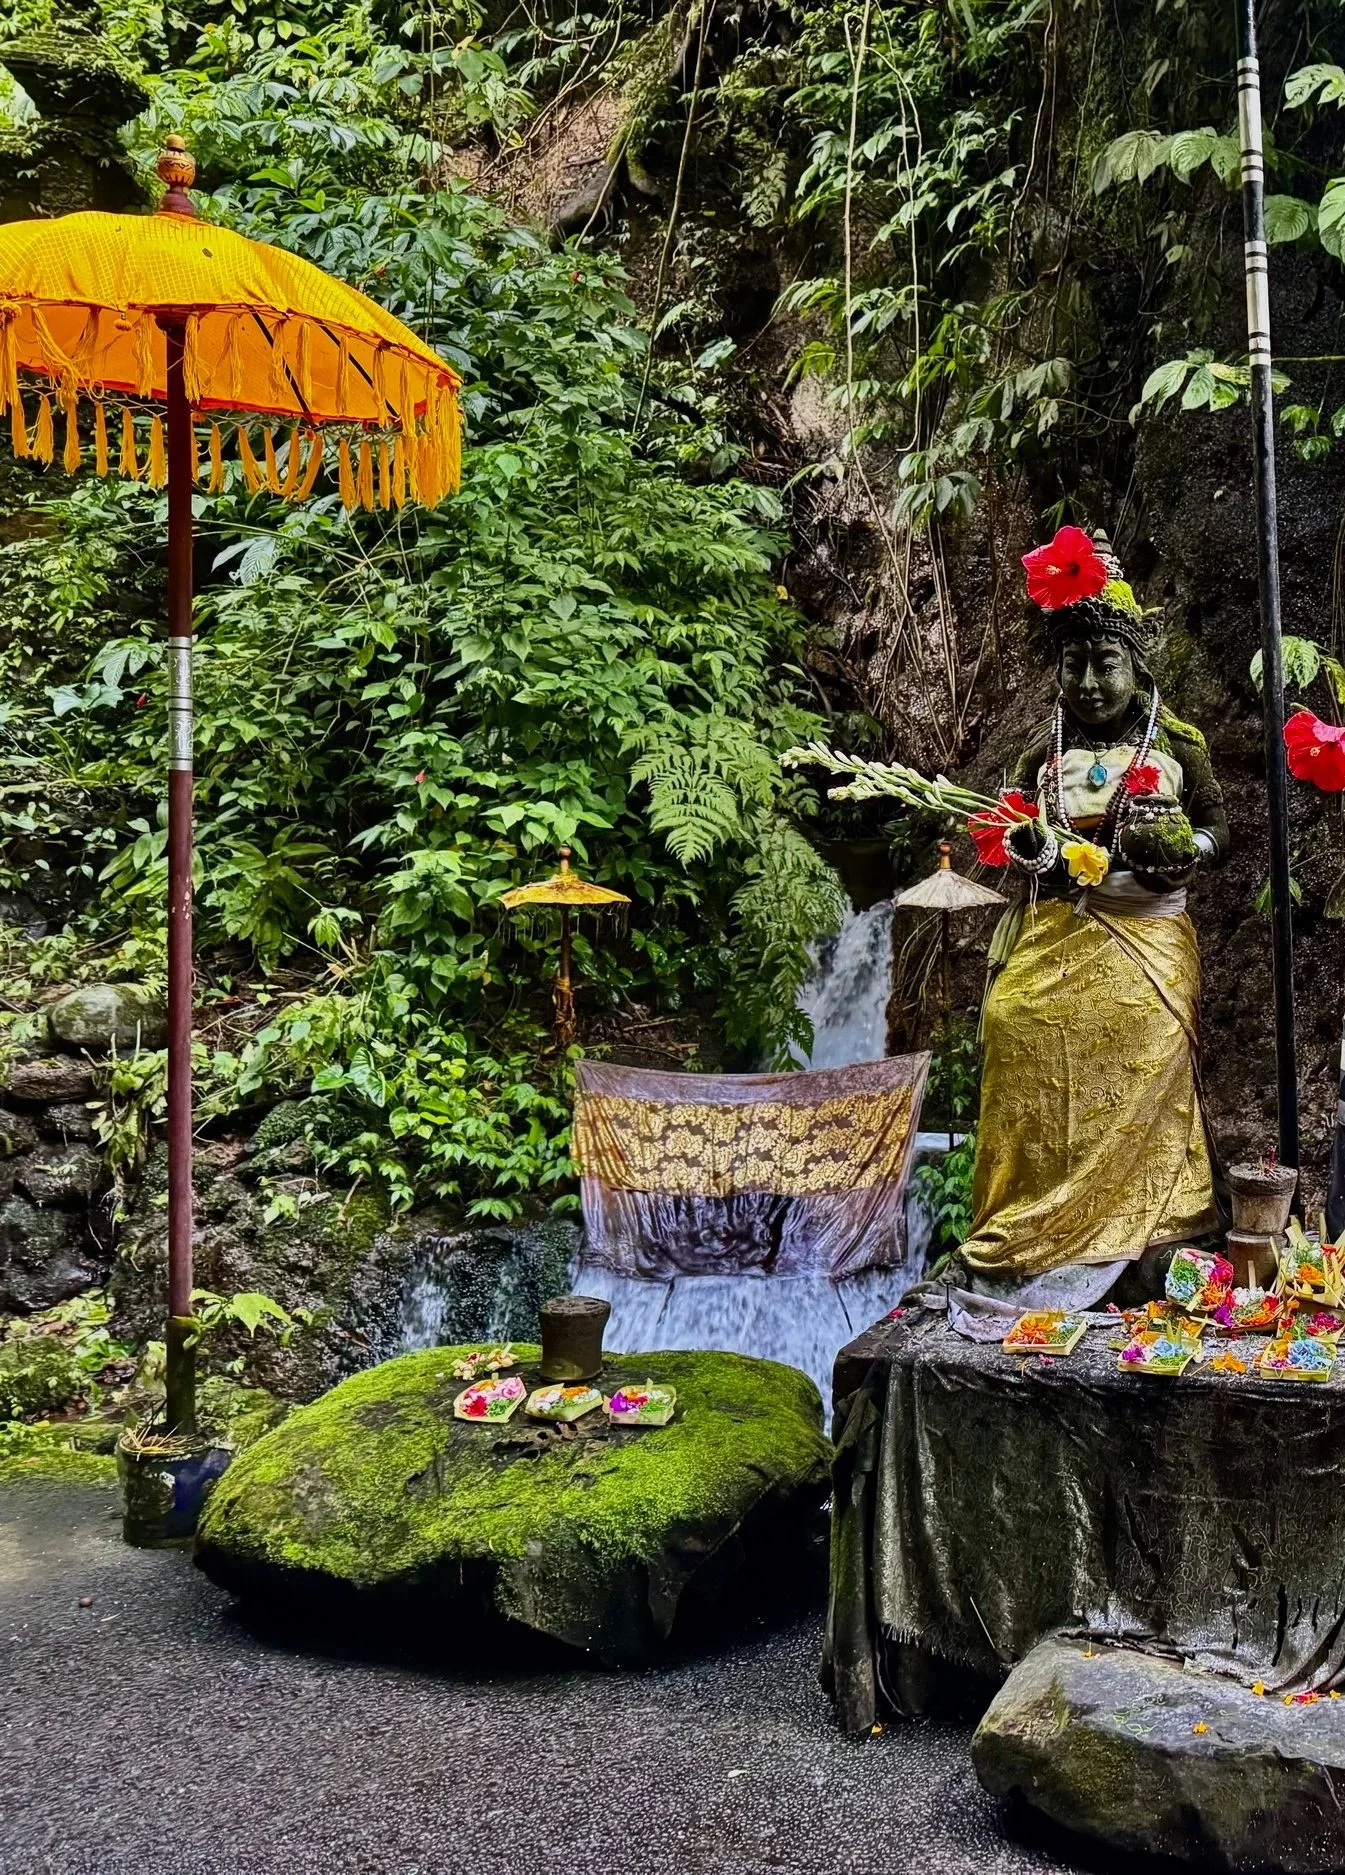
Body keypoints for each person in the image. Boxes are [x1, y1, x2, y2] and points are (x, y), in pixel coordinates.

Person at [959, 525, 1228, 1307]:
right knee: (1011, 1019)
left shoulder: (1177, 740)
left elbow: (1219, 824)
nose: (1087, 682)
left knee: (1145, 1030)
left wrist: (1185, 847)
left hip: (1147, 930)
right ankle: (1027, 1223)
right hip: (1059, 926)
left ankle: (1162, 1222)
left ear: (1135, 665)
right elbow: (1008, 833)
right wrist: (1030, 848)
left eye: (1103, 662)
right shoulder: (1036, 750)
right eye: (1072, 663)